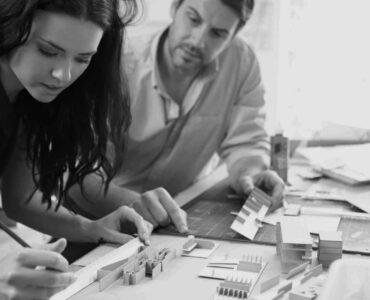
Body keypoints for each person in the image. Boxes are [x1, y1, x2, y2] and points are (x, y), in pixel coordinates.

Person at [69, 0, 284, 228]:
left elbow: (246, 142)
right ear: (174, 8)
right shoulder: (117, 63)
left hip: (178, 214)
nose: (198, 41)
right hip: (93, 220)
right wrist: (133, 204)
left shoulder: (242, 63)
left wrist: (250, 174)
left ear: (234, 35)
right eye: (193, 19)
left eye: (218, 34)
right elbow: (75, 173)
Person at [0, 0, 152, 298]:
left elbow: (20, 200)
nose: (64, 75)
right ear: (9, 27)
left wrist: (93, 228)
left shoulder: (26, 98)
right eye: (48, 51)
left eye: (82, 59)